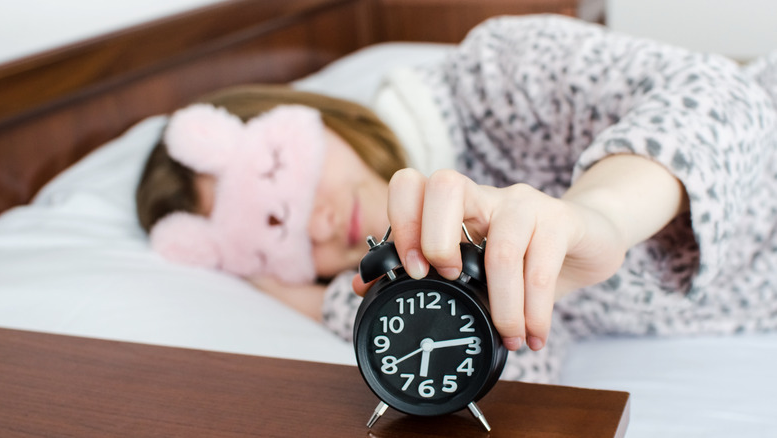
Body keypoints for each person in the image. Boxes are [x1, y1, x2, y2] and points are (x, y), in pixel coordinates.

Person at [137, 14, 777, 383]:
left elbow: (722, 98)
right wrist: (334, 304)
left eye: (285, 176)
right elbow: (509, 373)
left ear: (308, 116)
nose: (316, 224)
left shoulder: (497, 73)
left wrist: (597, 218)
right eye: (272, 242)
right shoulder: (428, 278)